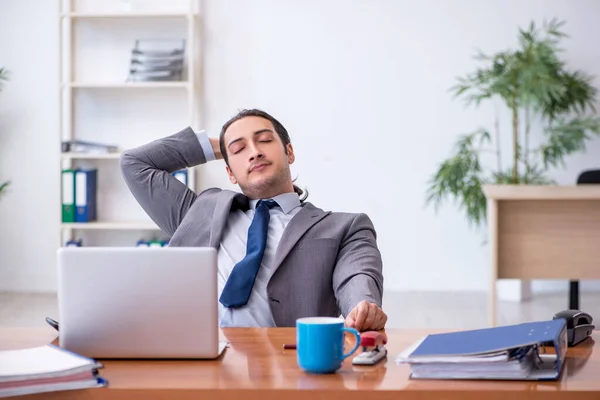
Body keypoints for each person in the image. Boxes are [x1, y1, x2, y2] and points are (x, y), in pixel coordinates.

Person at [120, 109, 386, 331]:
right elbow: (135, 163)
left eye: (265, 141)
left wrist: (362, 308)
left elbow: (357, 277)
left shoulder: (345, 227)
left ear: (289, 152)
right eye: (239, 149)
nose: (255, 152)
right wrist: (224, 144)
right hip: (199, 356)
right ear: (229, 173)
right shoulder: (199, 211)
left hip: (287, 364)